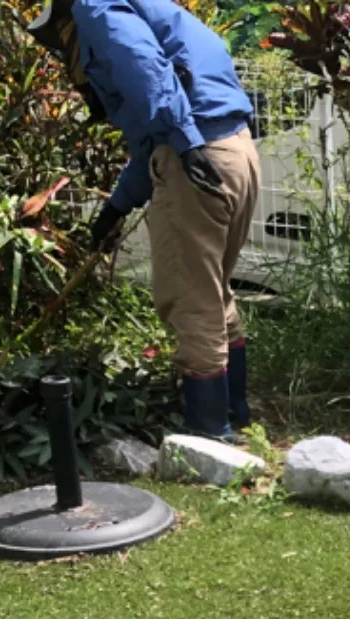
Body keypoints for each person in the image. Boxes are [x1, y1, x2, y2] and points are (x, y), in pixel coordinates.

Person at [27, 0, 260, 440]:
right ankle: (235, 412)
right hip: (235, 150)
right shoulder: (154, 10)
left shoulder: (92, 7)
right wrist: (118, 206)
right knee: (212, 291)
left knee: (190, 299)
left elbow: (144, 67)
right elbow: (152, 139)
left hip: (197, 155)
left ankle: (209, 434)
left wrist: (186, 143)